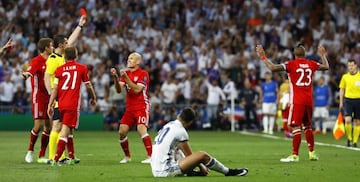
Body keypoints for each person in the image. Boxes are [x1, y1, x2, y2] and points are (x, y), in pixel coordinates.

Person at [256, 44, 329, 162]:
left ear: (294, 54)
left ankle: (295, 155)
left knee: (296, 127)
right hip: (309, 100)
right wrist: (322, 55)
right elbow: (326, 66)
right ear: (304, 54)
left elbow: (273, 68)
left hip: (297, 101)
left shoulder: (291, 64)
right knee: (308, 126)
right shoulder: (311, 63)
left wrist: (263, 57)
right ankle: (312, 153)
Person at [150, 107, 248, 177]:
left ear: (179, 115)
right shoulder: (181, 131)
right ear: (190, 122)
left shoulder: (168, 125)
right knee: (202, 155)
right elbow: (190, 155)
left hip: (155, 168)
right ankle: (228, 172)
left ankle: (190, 172)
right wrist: (202, 167)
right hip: (165, 171)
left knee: (177, 149)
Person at [44, 15, 86, 163]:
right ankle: (52, 157)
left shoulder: (63, 57)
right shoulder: (53, 60)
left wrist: (80, 26)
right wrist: (52, 95)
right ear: (61, 45)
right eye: (66, 42)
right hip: (57, 98)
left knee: (64, 127)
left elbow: (72, 38)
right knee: (57, 125)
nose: (69, 43)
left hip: (63, 97)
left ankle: (62, 157)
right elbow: (46, 77)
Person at [47, 46, 96, 166]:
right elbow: (88, 86)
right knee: (65, 131)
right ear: (76, 55)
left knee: (69, 130)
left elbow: (55, 89)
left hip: (61, 104)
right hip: (72, 105)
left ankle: (72, 156)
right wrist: (93, 97)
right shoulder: (81, 68)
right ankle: (56, 159)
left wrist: (50, 104)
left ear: (64, 56)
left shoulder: (59, 70)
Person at [110, 52, 153, 164]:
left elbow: (138, 89)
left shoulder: (143, 74)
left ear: (138, 61)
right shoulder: (126, 73)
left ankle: (151, 156)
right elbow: (119, 90)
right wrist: (115, 77)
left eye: (132, 59)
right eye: (128, 58)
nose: (129, 60)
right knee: (122, 131)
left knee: (141, 129)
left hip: (142, 106)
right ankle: (127, 157)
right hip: (129, 108)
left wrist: (126, 78)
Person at [22, 38, 54, 163]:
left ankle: (42, 155)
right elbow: (29, 72)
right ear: (46, 48)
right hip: (38, 97)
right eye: (51, 46)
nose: (52, 47)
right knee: (38, 125)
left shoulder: (52, 60)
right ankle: (30, 152)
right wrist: (25, 75)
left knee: (48, 126)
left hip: (49, 97)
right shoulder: (36, 61)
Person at [339, 59, 360, 147]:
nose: (350, 67)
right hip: (348, 100)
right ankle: (349, 138)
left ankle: (355, 141)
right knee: (347, 120)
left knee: (357, 122)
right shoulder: (345, 77)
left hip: (358, 100)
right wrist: (341, 102)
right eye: (349, 66)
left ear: (356, 66)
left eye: (352, 65)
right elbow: (342, 89)